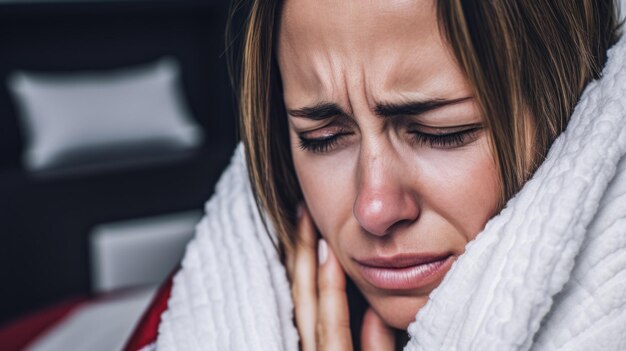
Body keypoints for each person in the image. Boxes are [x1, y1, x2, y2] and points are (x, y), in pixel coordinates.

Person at [125, 1, 626, 350]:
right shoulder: (202, 306)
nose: (375, 208)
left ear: (575, 111)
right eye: (322, 137)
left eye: (442, 131)